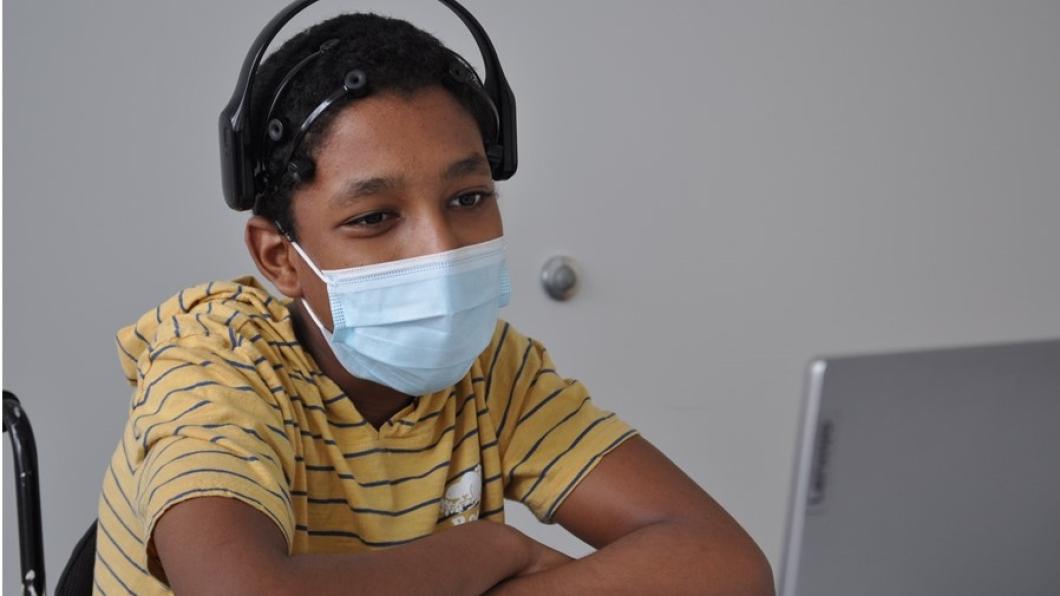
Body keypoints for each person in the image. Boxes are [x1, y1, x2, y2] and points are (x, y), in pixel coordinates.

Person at [94, 10, 774, 596]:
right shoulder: (216, 363)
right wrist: (491, 552)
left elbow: (726, 567)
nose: (438, 250)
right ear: (280, 259)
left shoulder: (492, 370)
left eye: (468, 199)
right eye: (373, 217)